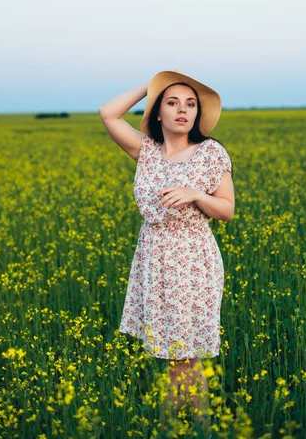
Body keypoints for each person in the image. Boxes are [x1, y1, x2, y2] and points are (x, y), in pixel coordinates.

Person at [99, 70, 235, 436]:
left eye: (190, 104)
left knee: (182, 355)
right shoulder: (146, 150)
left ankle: (179, 427)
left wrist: (197, 195)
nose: (182, 110)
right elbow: (108, 113)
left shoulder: (210, 153)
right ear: (157, 112)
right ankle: (189, 427)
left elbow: (227, 210)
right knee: (176, 354)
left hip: (192, 259)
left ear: (197, 115)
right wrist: (152, 84)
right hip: (154, 258)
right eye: (172, 103)